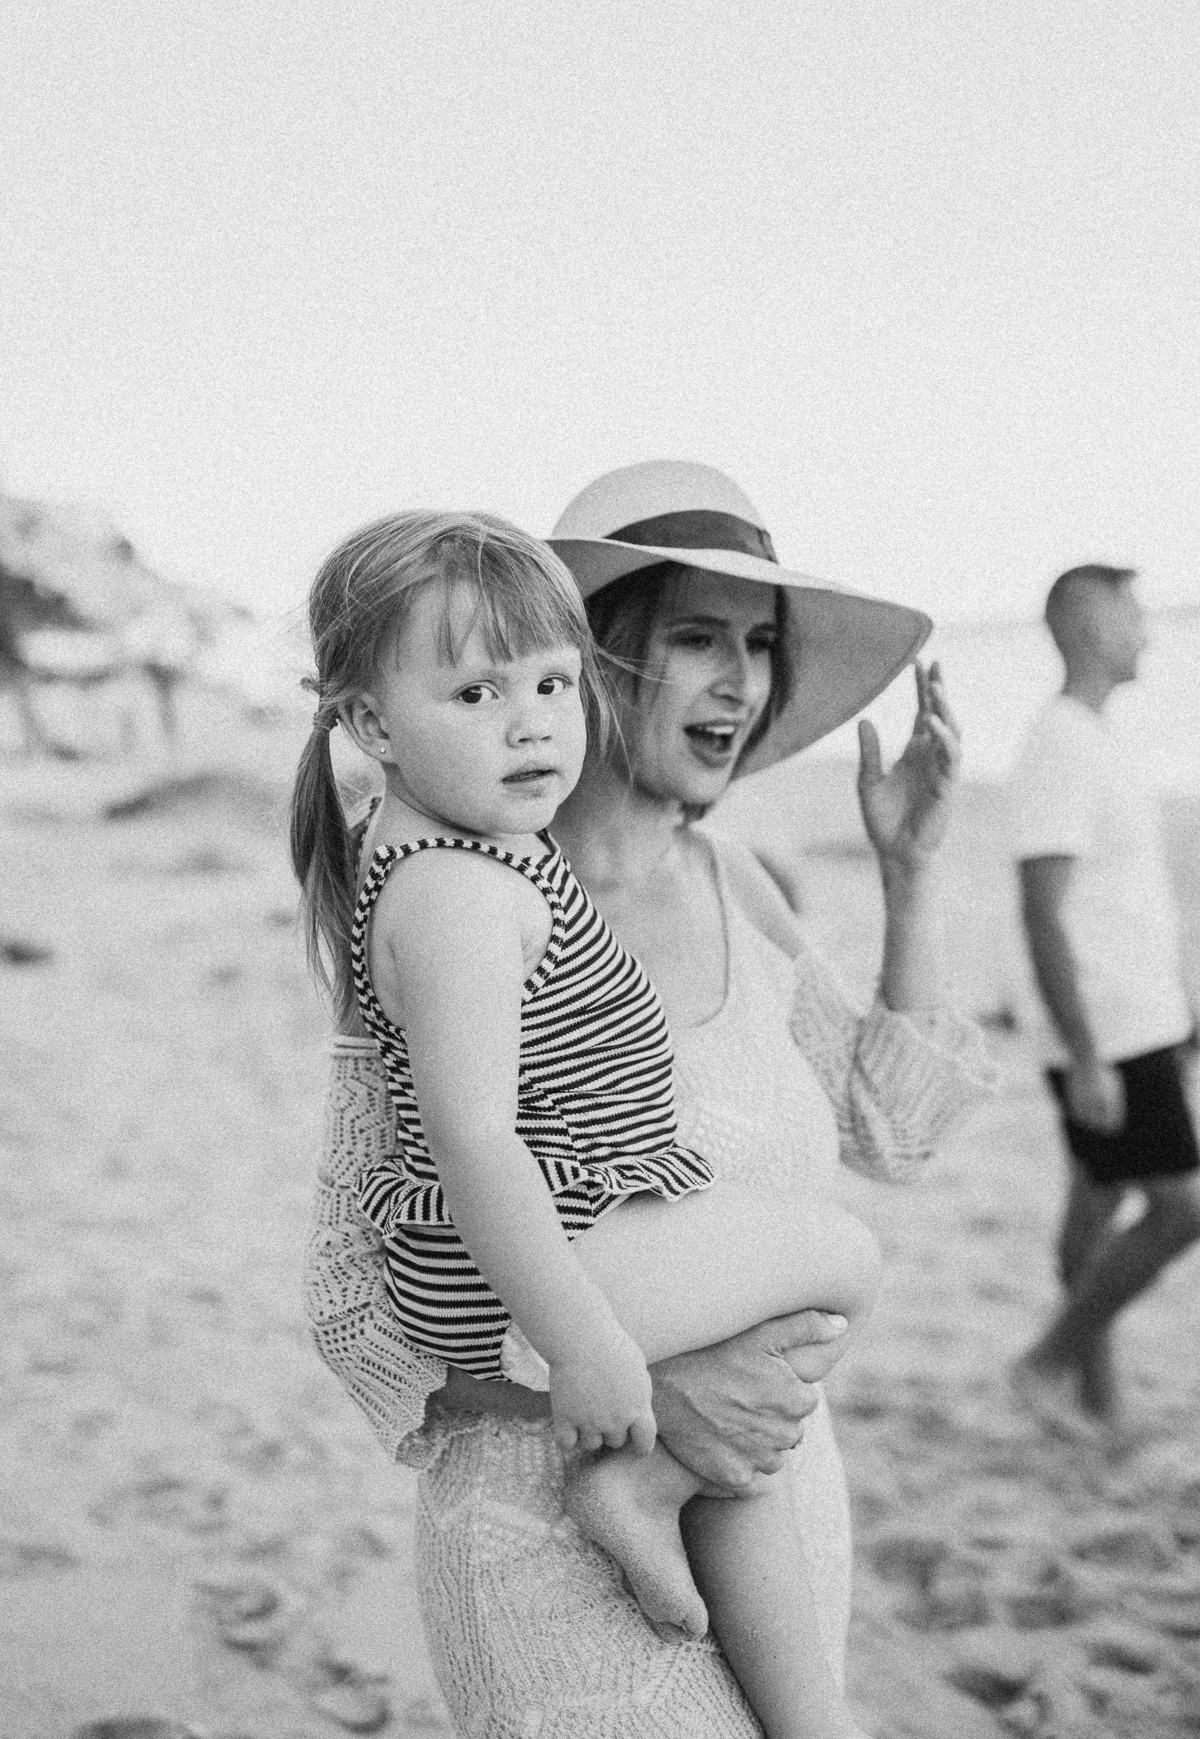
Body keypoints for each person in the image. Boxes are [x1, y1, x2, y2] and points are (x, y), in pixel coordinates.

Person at [304, 462, 994, 1737]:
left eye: (760, 646)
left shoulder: (742, 883)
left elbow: (893, 1132)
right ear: (606, 650)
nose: (742, 683)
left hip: (767, 1490)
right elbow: (356, 1299)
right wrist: (648, 1388)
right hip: (550, 1516)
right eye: (697, 639)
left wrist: (913, 875)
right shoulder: (468, 895)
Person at [1008, 564, 1200, 1439]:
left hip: (1142, 1020)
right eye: (1133, 615)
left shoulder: (1093, 735)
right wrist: (1085, 1054)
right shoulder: (1060, 742)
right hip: (1109, 1032)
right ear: (1090, 626)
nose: (1148, 632)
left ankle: (1097, 1402)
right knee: (1180, 1208)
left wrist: (1180, 1012)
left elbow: (1122, 900)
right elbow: (1043, 910)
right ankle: (1046, 1363)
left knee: (1095, 1205)